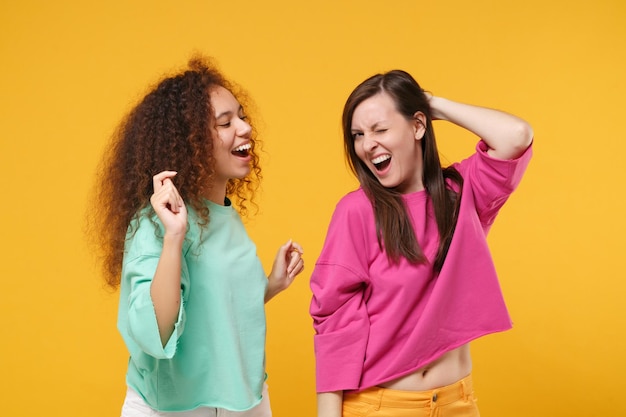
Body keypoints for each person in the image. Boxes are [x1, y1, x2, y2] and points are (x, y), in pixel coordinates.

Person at [89, 55, 304, 417]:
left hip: (244, 399)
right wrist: (174, 237)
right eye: (225, 122)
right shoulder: (155, 223)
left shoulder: (225, 215)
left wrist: (270, 285)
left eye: (241, 116)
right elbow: (156, 332)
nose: (245, 128)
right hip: (174, 408)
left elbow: (212, 311)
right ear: (189, 143)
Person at [310, 70, 533, 417]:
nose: (367, 144)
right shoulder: (356, 211)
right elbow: (334, 321)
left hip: (458, 403)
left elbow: (516, 136)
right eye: (357, 135)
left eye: (380, 129)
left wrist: (432, 105)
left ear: (417, 126)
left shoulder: (462, 192)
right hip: (382, 406)